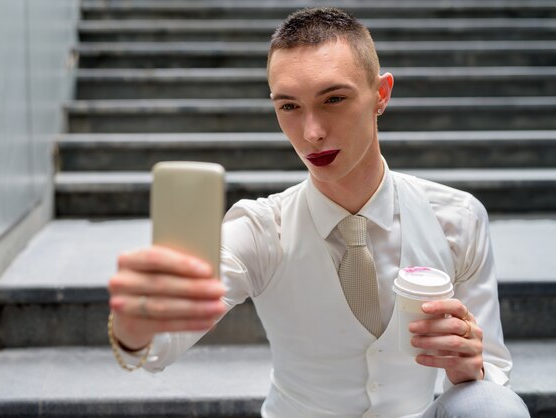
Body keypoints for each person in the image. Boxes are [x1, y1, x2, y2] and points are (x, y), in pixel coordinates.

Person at [107, 8, 530, 418]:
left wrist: (469, 364)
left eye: (333, 99)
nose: (311, 132)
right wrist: (135, 324)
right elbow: (157, 347)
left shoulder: (456, 218)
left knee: (492, 406)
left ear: (380, 94)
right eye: (288, 106)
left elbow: (491, 372)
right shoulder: (260, 228)